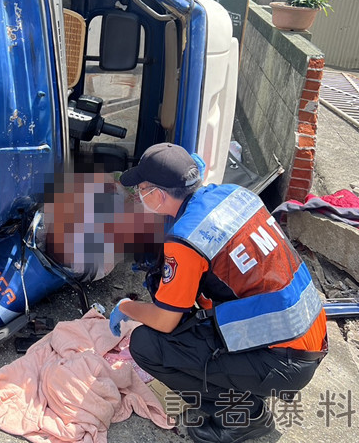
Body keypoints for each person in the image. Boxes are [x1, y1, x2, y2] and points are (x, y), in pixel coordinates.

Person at [108, 143, 327, 443]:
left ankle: (243, 416)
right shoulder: (235, 195)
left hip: (284, 363)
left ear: (157, 195)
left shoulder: (186, 238)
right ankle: (242, 395)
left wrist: (126, 307)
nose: (140, 197)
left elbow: (165, 320)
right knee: (191, 321)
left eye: (143, 190)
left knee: (146, 344)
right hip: (309, 332)